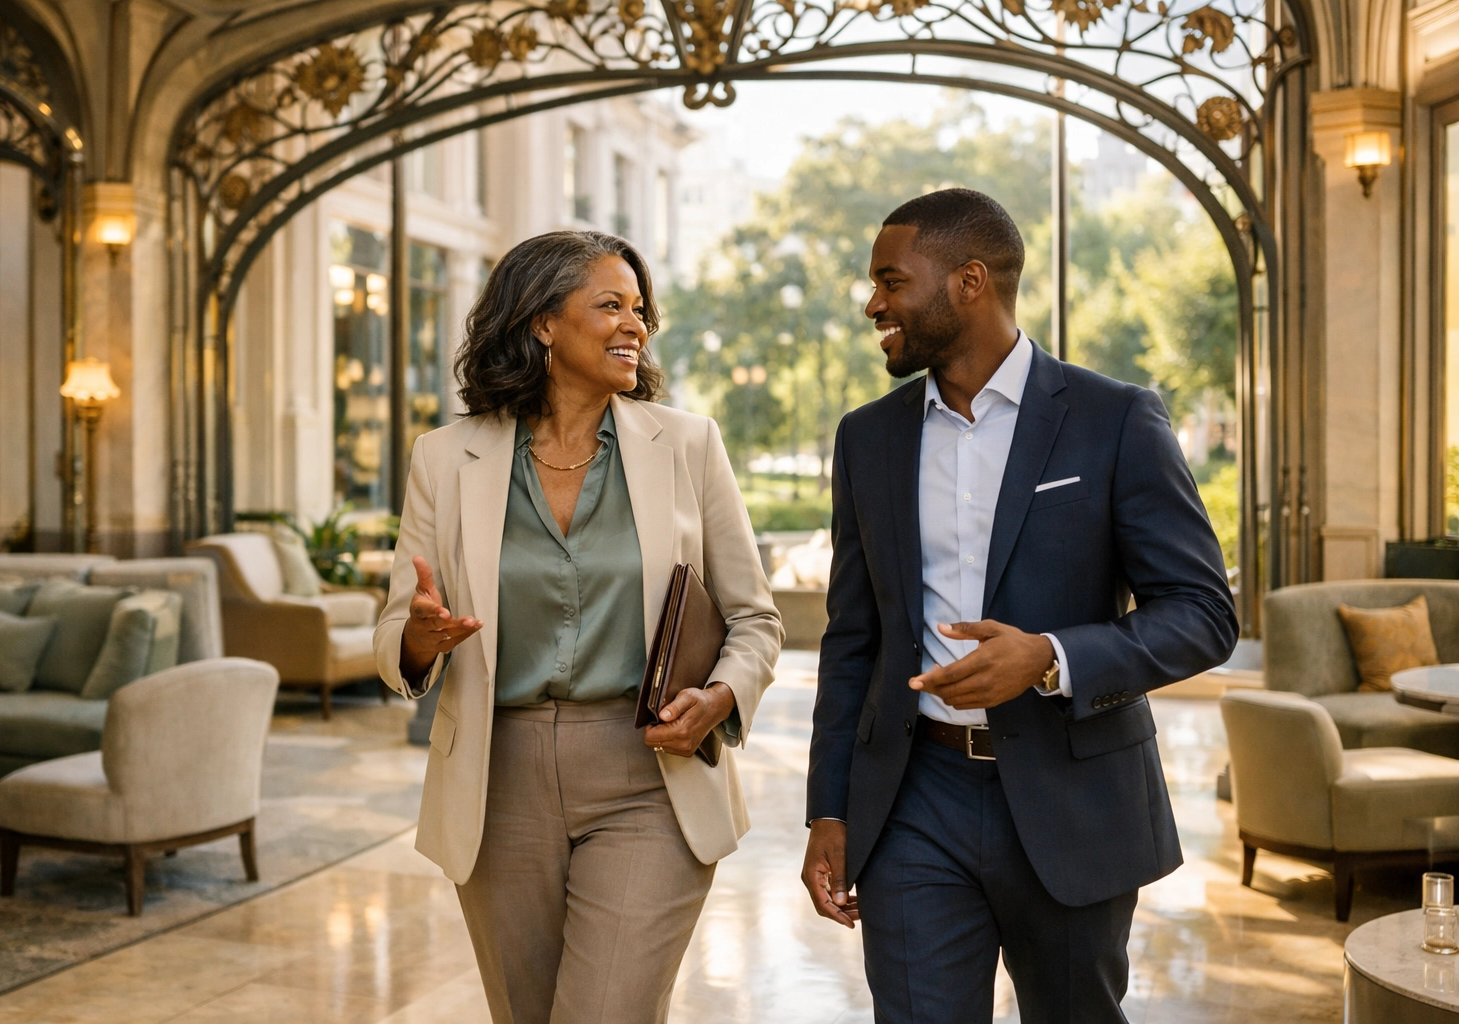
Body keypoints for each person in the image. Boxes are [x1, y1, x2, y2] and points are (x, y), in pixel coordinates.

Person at [801, 189, 1238, 1023]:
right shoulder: (869, 437)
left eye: (891, 281)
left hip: (1074, 800)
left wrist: (1051, 658)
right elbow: (853, 637)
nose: (873, 304)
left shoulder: (1115, 420)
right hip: (912, 800)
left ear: (970, 281)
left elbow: (1201, 613)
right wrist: (829, 806)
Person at [374, 230, 783, 1024]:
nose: (636, 324)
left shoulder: (688, 445)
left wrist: (723, 695)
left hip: (648, 774)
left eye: (640, 309)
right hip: (498, 779)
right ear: (541, 324)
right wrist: (420, 638)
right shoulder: (444, 459)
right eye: (610, 306)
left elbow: (755, 618)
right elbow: (399, 635)